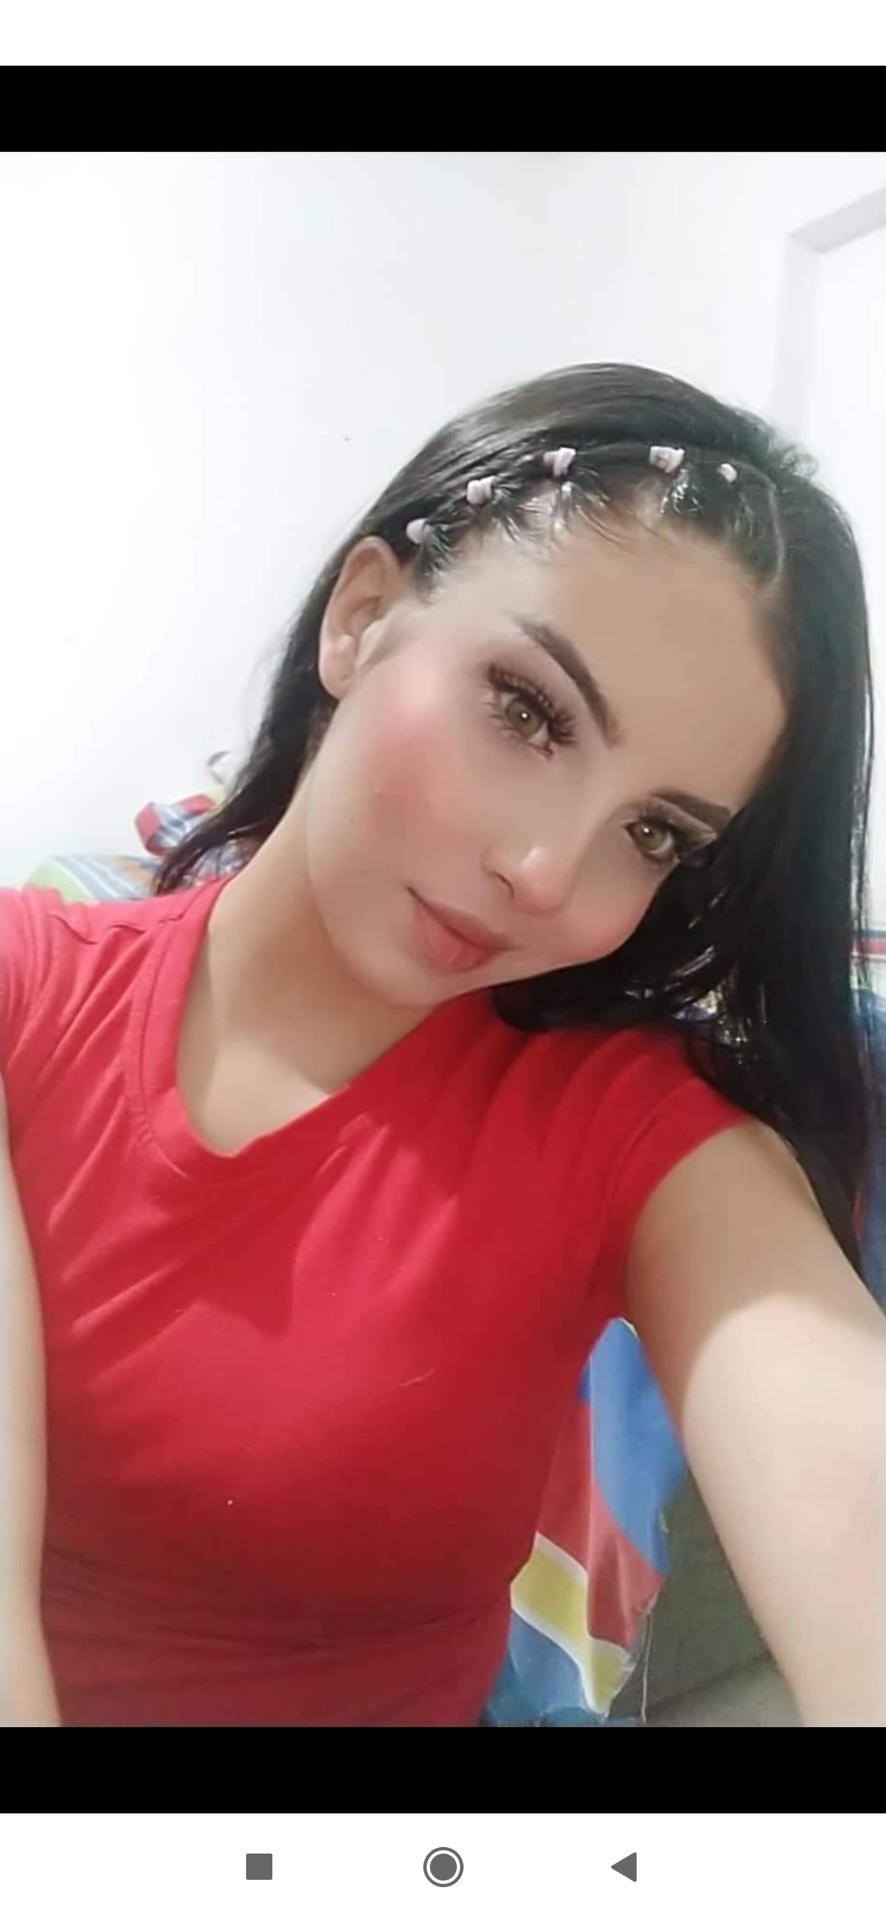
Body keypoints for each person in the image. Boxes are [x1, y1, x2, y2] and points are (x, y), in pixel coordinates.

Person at [2, 362, 885, 1729]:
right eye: (527, 711)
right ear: (361, 616)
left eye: (655, 833)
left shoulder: (630, 1132)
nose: (547, 874)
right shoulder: (25, 988)